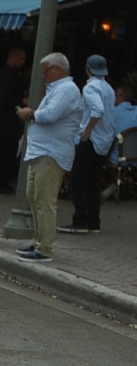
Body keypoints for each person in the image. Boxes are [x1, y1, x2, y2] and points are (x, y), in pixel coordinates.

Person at [16, 52, 82, 263]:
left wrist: (31, 114)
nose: (43, 75)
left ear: (57, 70)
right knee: (34, 197)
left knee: (44, 201)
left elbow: (51, 115)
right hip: (41, 151)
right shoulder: (58, 89)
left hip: (50, 153)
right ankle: (39, 241)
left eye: (45, 71)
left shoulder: (67, 89)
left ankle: (45, 248)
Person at [66, 54, 116, 235]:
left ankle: (80, 219)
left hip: (91, 139)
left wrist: (87, 131)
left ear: (88, 69)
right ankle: (94, 221)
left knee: (78, 178)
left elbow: (97, 109)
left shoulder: (90, 88)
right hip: (104, 140)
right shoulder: (109, 89)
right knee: (93, 180)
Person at [0, 47, 28, 193]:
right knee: (4, 148)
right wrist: (22, 101)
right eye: (21, 58)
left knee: (10, 149)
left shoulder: (11, 75)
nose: (23, 62)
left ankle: (3, 180)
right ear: (13, 58)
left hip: (11, 117)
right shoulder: (6, 76)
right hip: (7, 117)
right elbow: (4, 98)